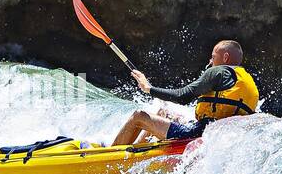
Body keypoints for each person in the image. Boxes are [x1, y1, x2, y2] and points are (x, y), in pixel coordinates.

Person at [110, 40, 259, 146]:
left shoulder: (218, 71)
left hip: (199, 133)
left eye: (213, 57)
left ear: (225, 57)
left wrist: (149, 88)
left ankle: (112, 156)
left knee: (139, 116)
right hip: (220, 135)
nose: (210, 61)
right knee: (163, 112)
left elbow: (183, 96)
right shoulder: (246, 80)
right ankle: (136, 149)